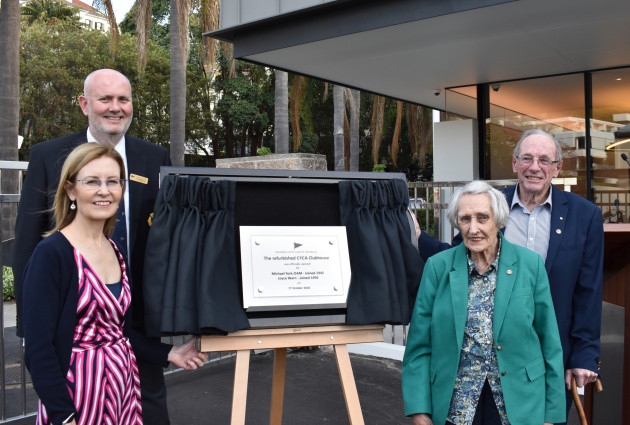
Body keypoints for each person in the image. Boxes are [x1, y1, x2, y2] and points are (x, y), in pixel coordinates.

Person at [13, 69, 173, 424]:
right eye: (105, 99)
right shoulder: (47, 155)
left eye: (123, 99)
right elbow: (26, 243)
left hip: (137, 322)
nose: (115, 108)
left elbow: (167, 240)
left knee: (150, 410)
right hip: (72, 334)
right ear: (85, 104)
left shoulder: (156, 157)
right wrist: (31, 332)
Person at [416, 129, 603, 416]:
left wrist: (585, 355)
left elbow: (588, 291)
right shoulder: (490, 205)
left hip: (551, 354)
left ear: (557, 168)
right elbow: (456, 258)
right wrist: (419, 239)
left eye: (544, 160)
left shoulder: (584, 215)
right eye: (527, 158)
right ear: (515, 163)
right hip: (489, 363)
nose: (534, 167)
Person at [23, 143, 208, 425]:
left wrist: (169, 353)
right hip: (76, 401)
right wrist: (64, 416)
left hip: (122, 395)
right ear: (71, 190)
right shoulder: (52, 254)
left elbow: (119, 333)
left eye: (113, 181)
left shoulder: (114, 250)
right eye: (92, 181)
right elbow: (39, 350)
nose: (104, 190)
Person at [402, 180, 565, 425]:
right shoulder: (438, 267)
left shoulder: (530, 265)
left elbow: (550, 344)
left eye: (482, 218)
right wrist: (419, 410)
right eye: (465, 219)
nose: (473, 228)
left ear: (499, 221)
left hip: (519, 404)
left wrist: (551, 416)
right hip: (455, 407)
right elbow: (419, 346)